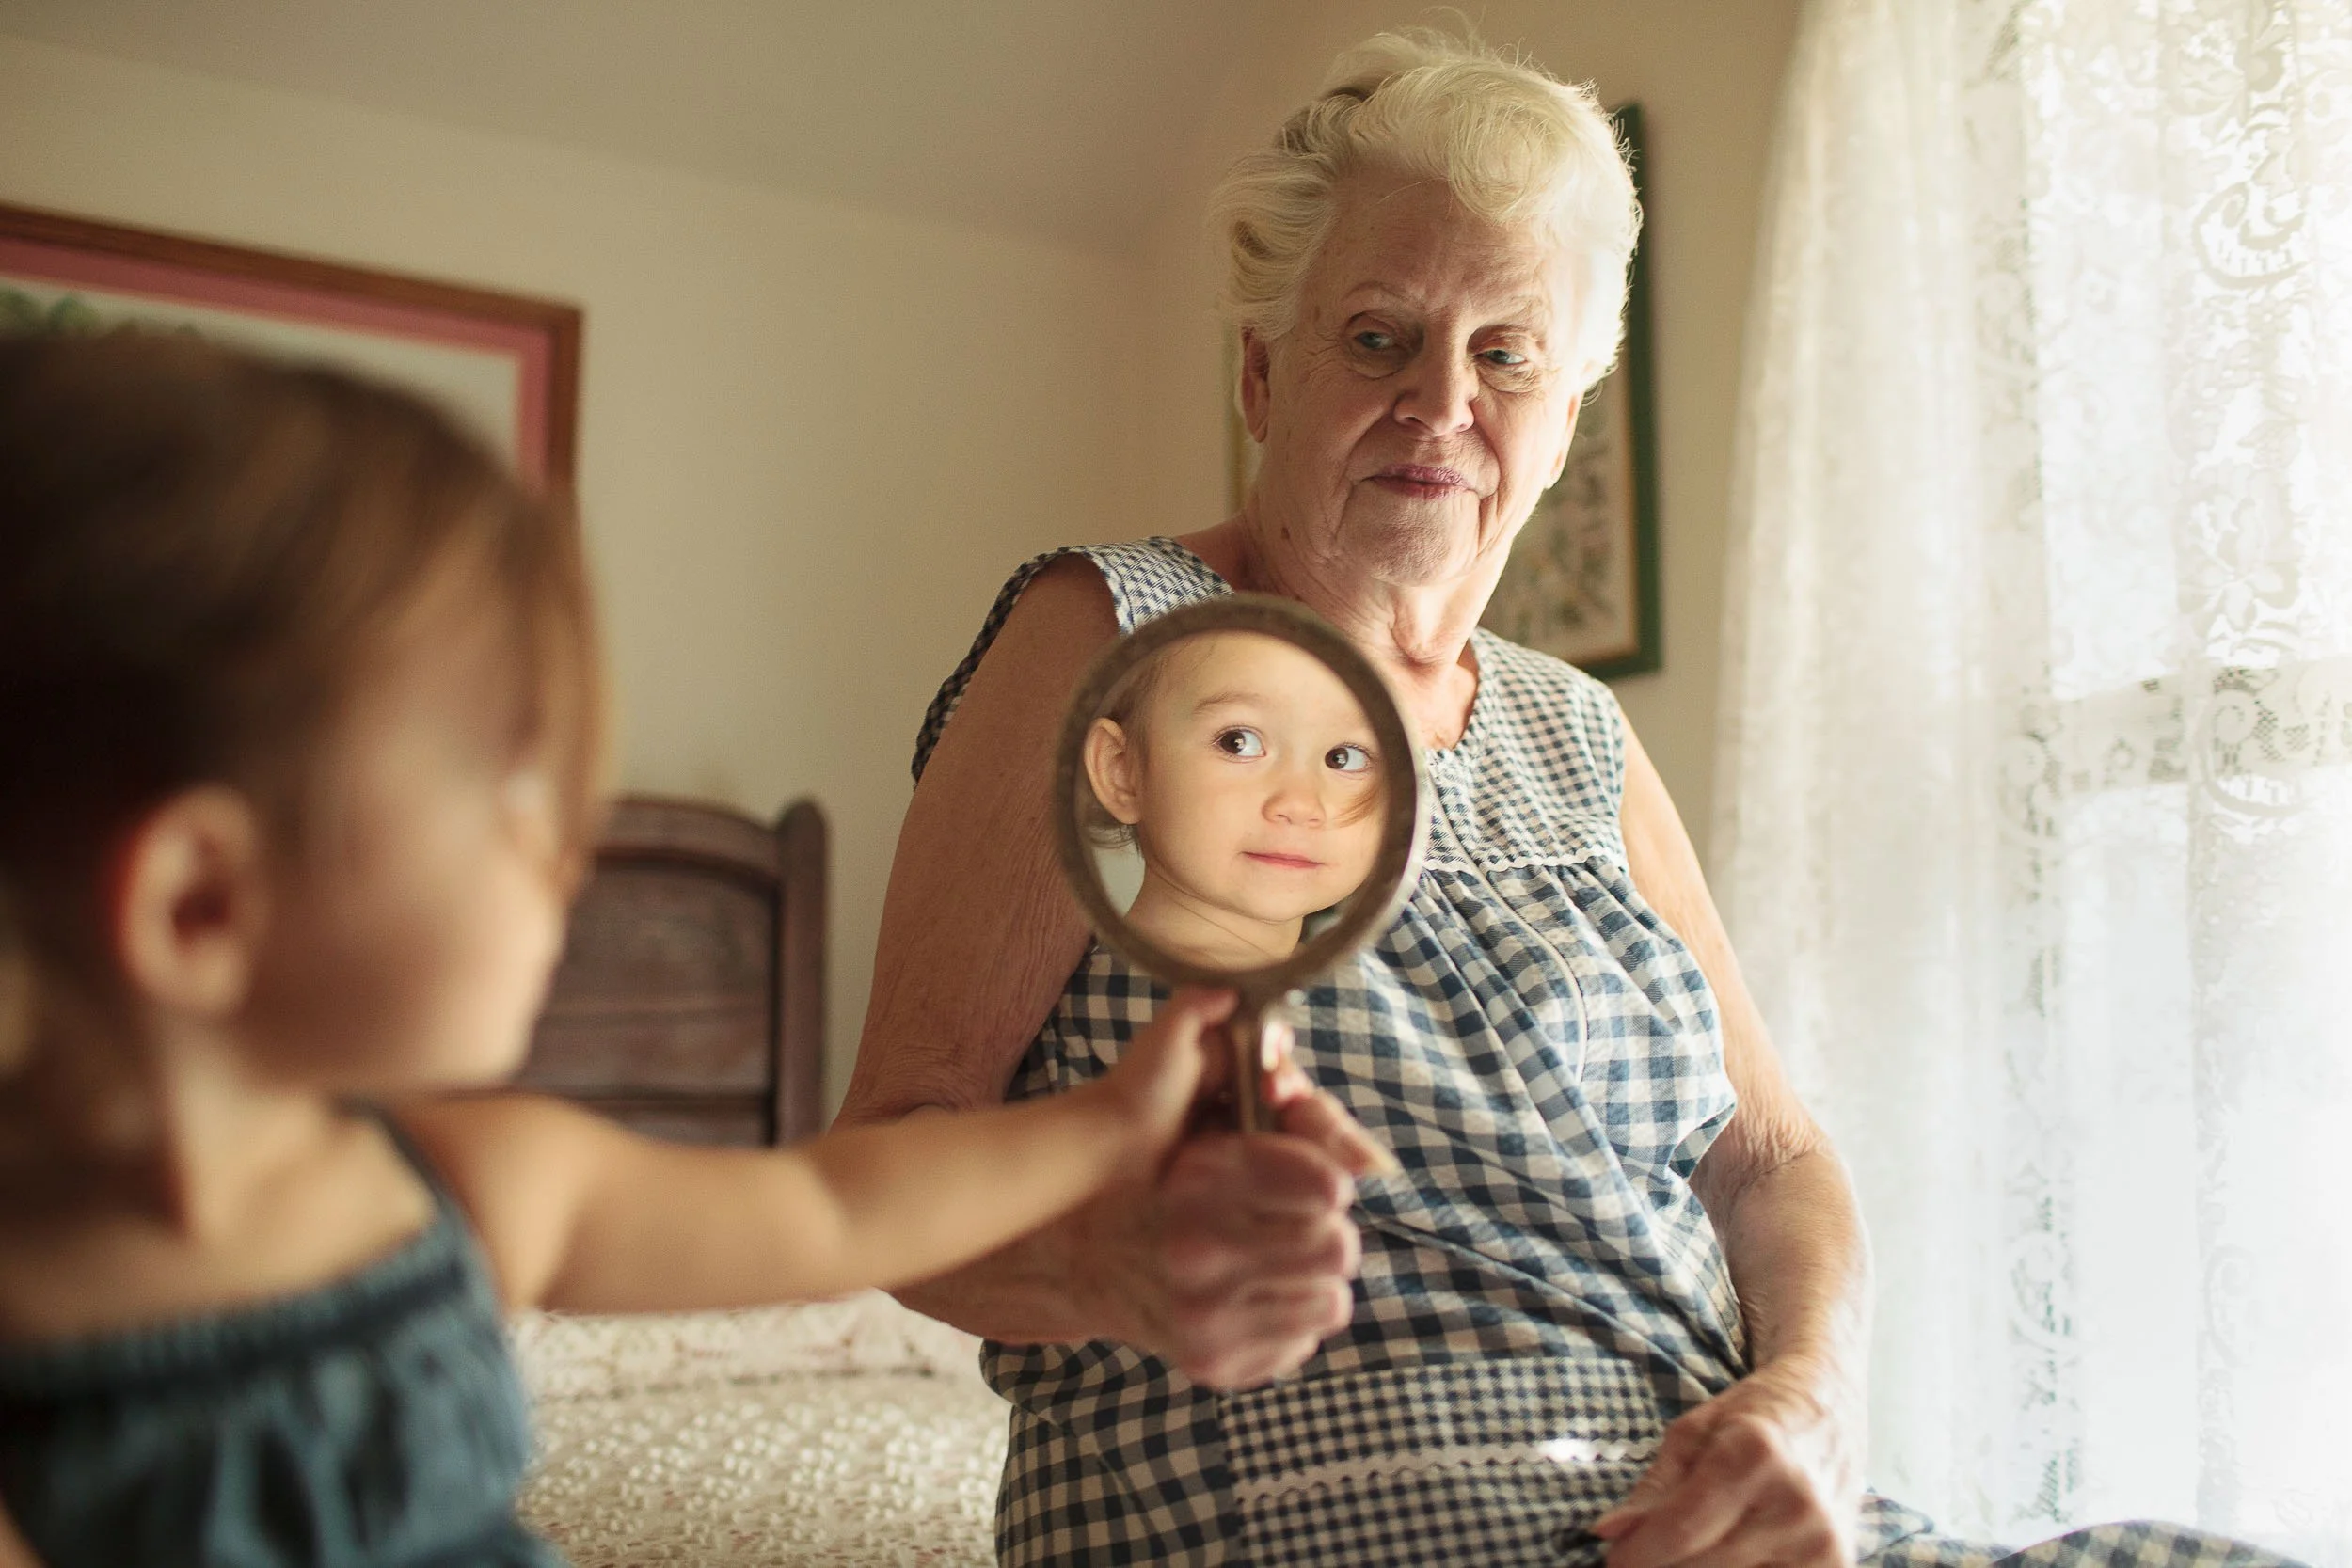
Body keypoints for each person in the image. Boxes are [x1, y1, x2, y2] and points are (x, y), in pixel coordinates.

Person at [836, 29, 2305, 1568]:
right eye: (1379, 337)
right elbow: (891, 1144)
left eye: (1504, 354)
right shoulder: (1110, 635)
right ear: (1265, 372)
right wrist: (1111, 1269)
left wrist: (1810, 1394)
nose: (1439, 405)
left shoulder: (1574, 728)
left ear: (1562, 415)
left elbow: (1775, 1160)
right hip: (1300, 1519)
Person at [0, 332, 1249, 1568]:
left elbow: (832, 1203)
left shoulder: (469, 1189)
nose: (573, 854)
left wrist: (1105, 1122)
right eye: (514, 792)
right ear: (200, 906)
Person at [1081, 629, 1386, 968]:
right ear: (1121, 771)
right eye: (1237, 742)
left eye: (1343, 757)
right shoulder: (1176, 1003)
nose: (1300, 806)